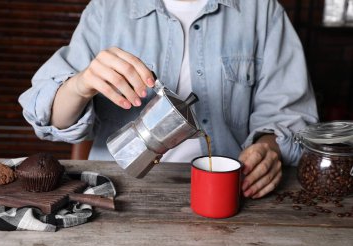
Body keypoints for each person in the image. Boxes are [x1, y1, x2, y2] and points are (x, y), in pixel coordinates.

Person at [19, 0, 319, 199]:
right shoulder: (108, 8)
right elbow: (49, 118)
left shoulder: (261, 10)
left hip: (231, 192)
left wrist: (268, 149)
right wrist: (81, 84)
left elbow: (287, 116)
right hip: (119, 191)